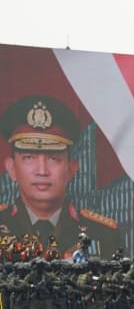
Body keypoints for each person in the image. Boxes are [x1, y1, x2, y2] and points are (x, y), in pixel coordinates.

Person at [0, 95, 124, 258]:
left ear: (71, 169)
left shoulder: (103, 233)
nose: (42, 171)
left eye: (53, 159)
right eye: (29, 158)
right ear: (11, 168)